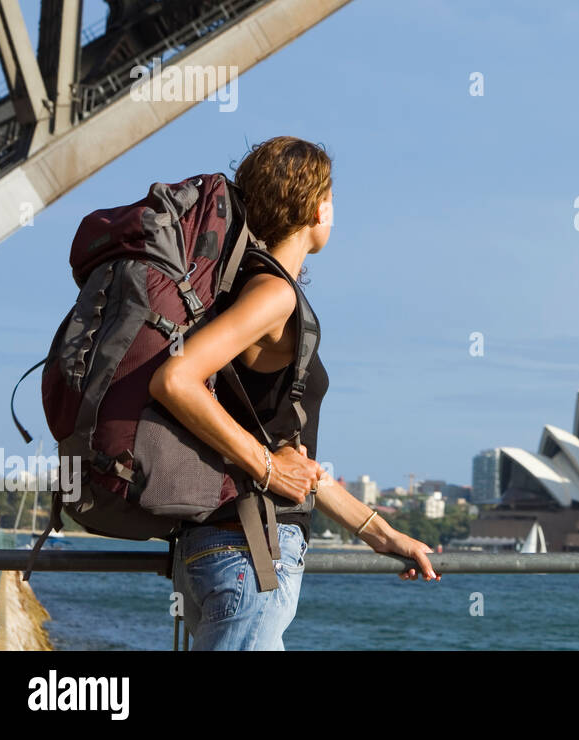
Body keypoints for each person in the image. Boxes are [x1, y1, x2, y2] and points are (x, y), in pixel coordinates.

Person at [149, 136, 437, 650]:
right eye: (331, 197)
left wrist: (384, 536)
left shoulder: (240, 287)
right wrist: (266, 466)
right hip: (249, 556)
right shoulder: (273, 294)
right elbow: (175, 379)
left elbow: (290, 459)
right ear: (314, 207)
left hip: (230, 551)